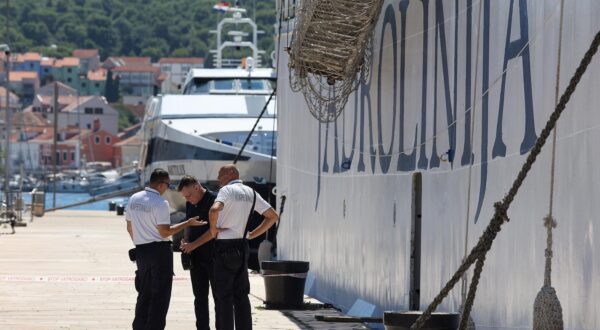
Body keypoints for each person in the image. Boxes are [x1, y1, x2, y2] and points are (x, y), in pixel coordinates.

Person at [126, 168, 206, 330]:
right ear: (162, 185)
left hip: (141, 251)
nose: (167, 189)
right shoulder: (160, 203)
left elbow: (129, 227)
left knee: (144, 293)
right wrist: (187, 222)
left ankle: (139, 326)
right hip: (159, 253)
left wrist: (141, 241)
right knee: (160, 295)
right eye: (168, 185)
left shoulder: (134, 198)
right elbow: (165, 231)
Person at [208, 164, 279, 330]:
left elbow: (213, 210)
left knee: (224, 296)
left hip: (224, 246)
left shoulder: (226, 191)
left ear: (231, 173)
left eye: (220, 173)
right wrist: (253, 234)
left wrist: (213, 230)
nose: (218, 178)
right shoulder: (251, 192)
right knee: (241, 295)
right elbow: (273, 216)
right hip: (242, 245)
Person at [177, 175, 220, 330]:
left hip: (213, 255)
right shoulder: (190, 202)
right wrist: (186, 239)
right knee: (199, 297)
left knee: (218, 297)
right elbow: (188, 222)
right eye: (185, 197)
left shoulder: (214, 201)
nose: (188, 199)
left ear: (197, 186)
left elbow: (213, 231)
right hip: (195, 257)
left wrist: (193, 245)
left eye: (188, 195)